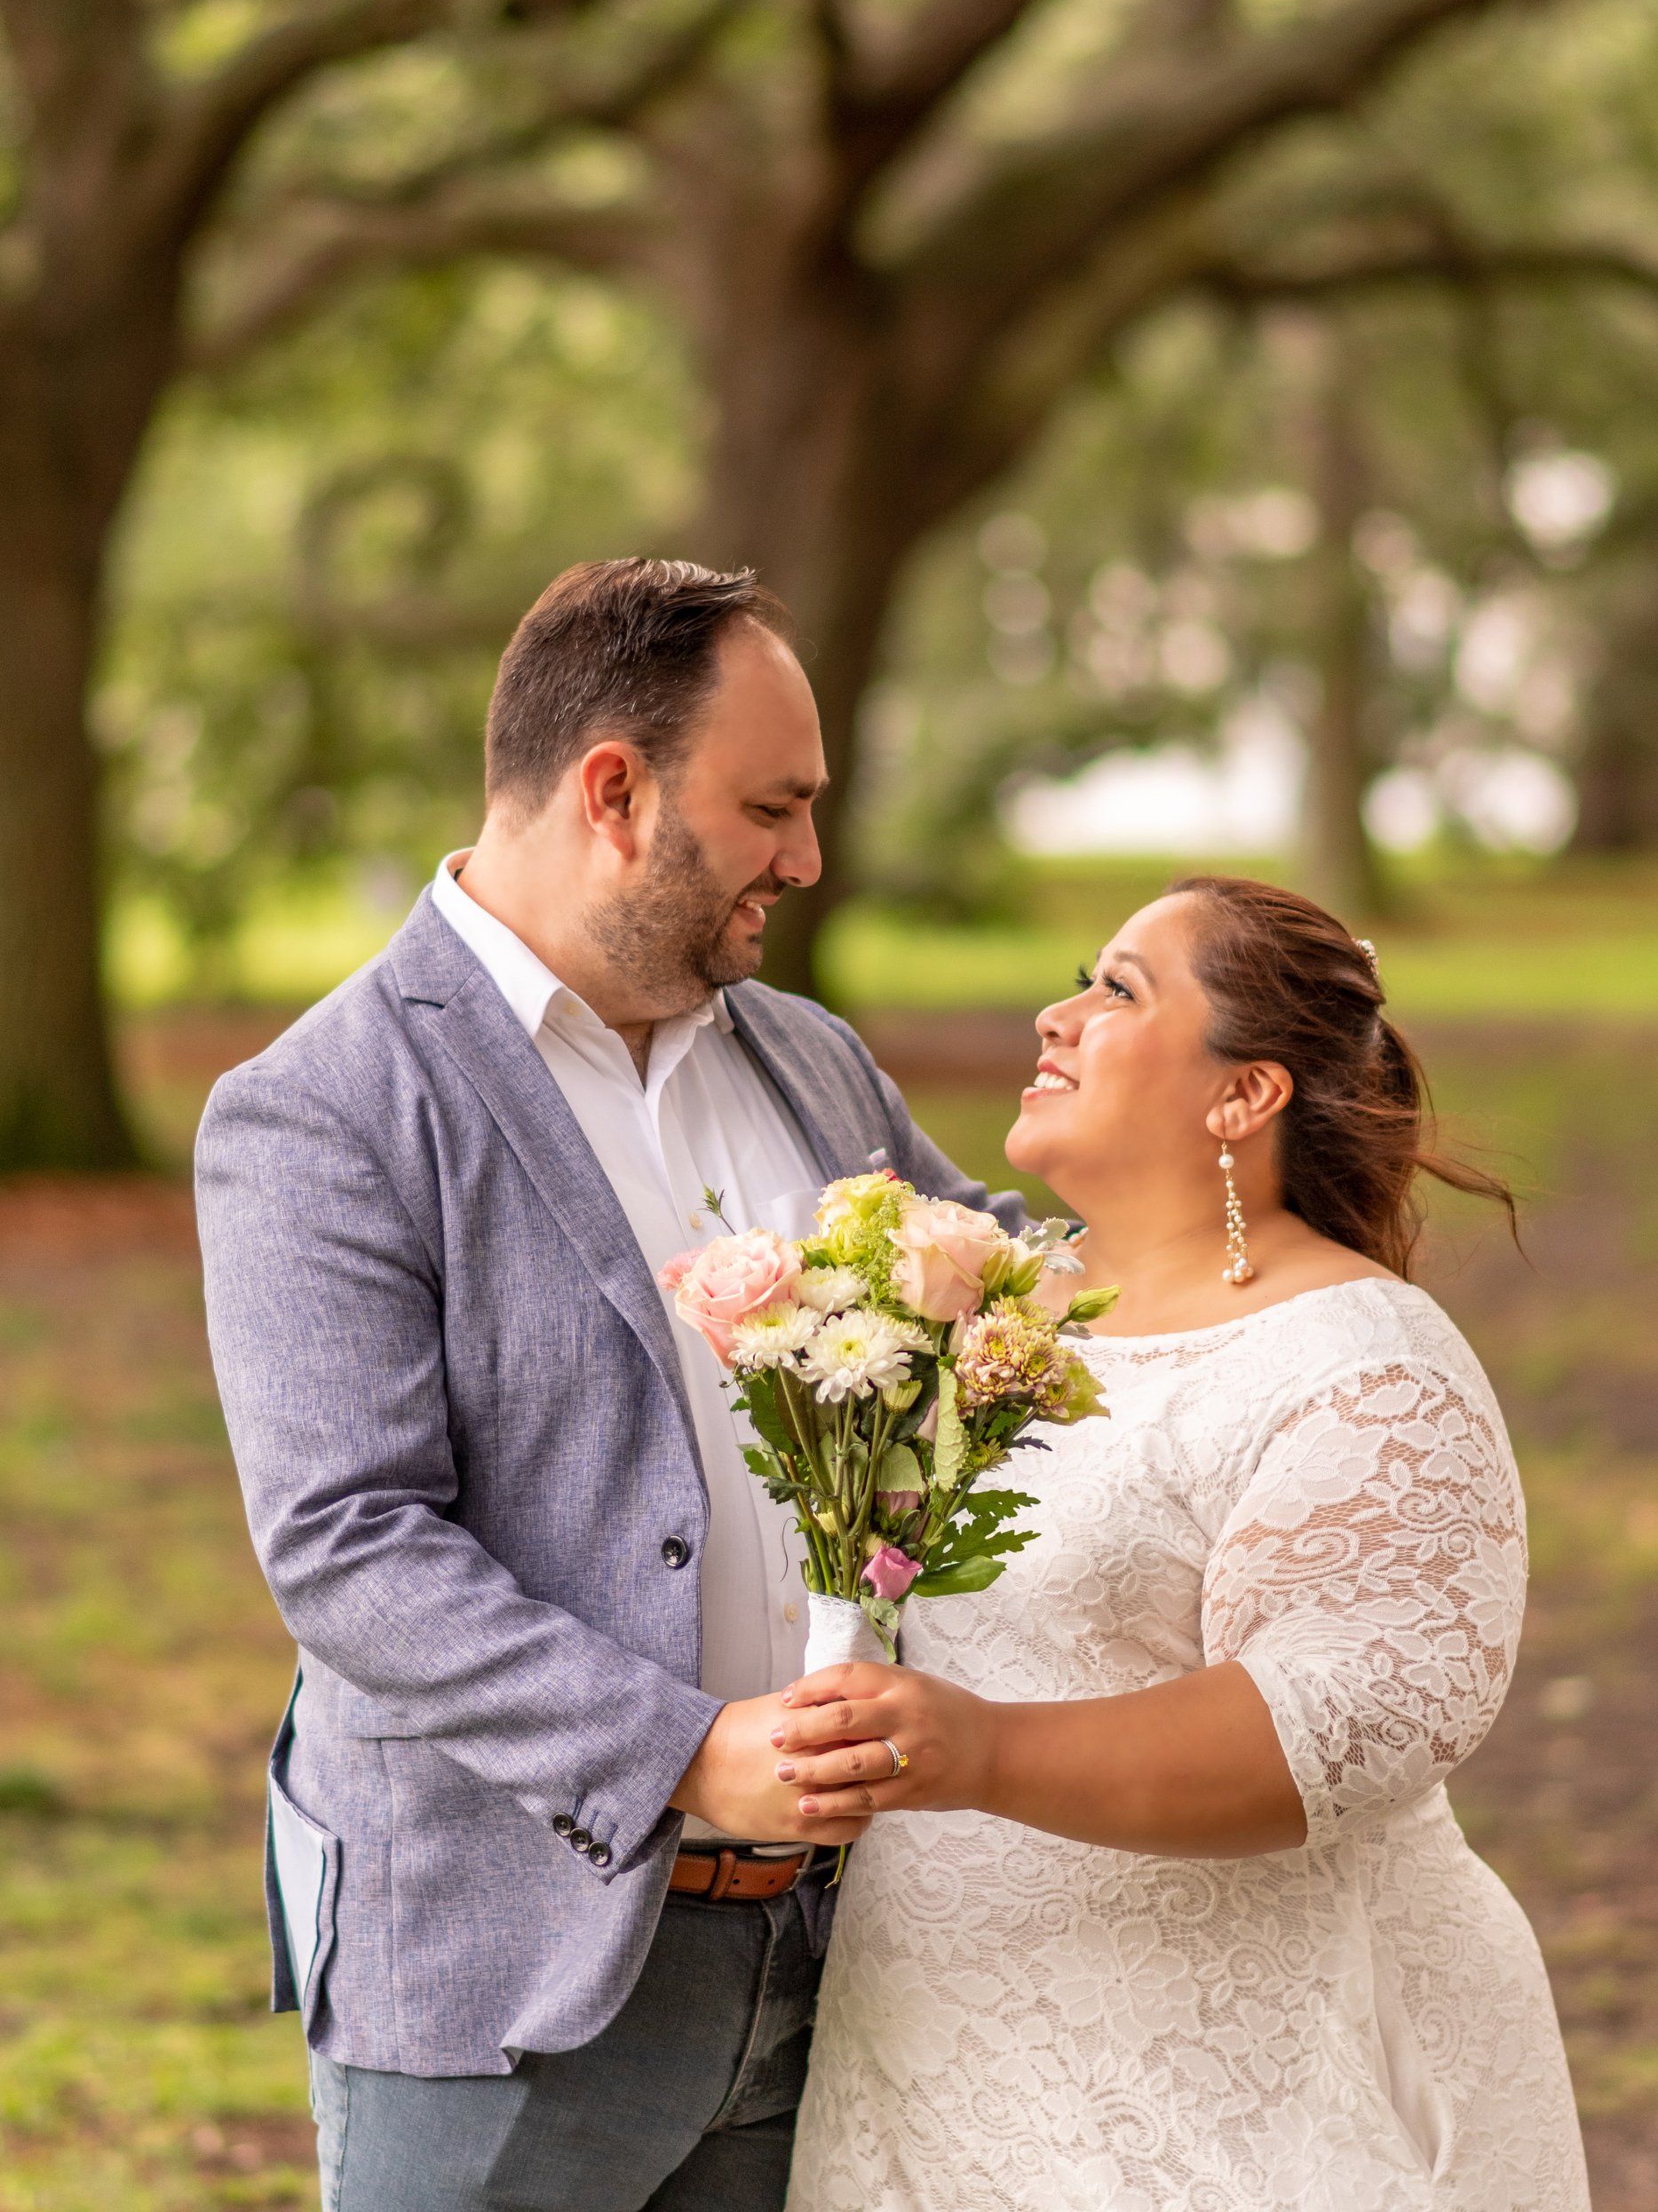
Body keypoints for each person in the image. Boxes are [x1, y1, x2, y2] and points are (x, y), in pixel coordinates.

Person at [195, 558, 1024, 2212]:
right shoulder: (326, 1108)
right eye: (774, 805)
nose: (806, 856)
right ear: (616, 792)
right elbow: (350, 1545)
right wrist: (682, 1756)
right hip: (510, 1993)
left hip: (843, 1960)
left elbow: (1016, 1306)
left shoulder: (811, 1059)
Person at [778, 876, 1591, 2212]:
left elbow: (1338, 1728)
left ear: (1244, 1095)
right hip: (934, 2068)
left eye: (1117, 990)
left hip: (1231, 2101)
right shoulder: (994, 1310)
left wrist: (982, 1750)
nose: (1057, 1016)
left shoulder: (1361, 1363)